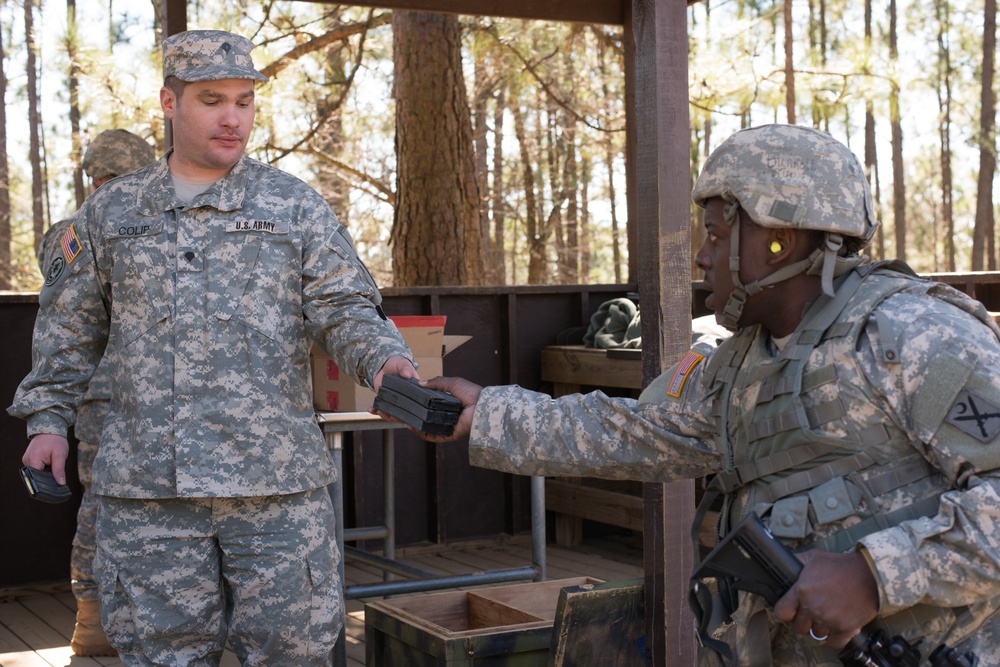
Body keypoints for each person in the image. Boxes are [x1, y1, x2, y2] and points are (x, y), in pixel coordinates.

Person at [404, 125, 1000, 666]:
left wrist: (874, 576)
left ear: (779, 242)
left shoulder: (911, 334)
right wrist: (488, 413)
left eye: (717, 234)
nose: (702, 256)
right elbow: (639, 433)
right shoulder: (741, 361)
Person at [9, 29, 416, 666]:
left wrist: (387, 363)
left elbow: (343, 309)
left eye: (244, 101)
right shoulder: (110, 213)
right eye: (211, 100)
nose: (233, 118)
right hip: (148, 494)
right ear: (169, 103)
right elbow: (69, 332)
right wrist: (48, 422)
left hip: (275, 487)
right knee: (158, 655)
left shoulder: (292, 206)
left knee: (293, 653)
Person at [35, 128, 156, 657]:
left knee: (109, 511)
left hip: (127, 401)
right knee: (112, 510)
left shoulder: (76, 231)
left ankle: (100, 625)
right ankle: (97, 625)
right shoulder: (81, 232)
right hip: (116, 401)